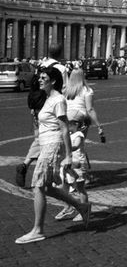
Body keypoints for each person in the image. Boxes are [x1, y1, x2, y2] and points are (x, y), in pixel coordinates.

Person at [15, 66, 92, 245]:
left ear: (54, 81)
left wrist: (68, 156)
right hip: (46, 146)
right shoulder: (48, 99)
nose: (40, 80)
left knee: (38, 185)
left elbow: (64, 128)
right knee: (47, 187)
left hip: (52, 146)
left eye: (44, 78)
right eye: (40, 77)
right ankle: (82, 207)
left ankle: (38, 230)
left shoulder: (57, 100)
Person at [15, 43, 65, 188]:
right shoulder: (61, 69)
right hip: (52, 105)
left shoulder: (40, 65)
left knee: (39, 137)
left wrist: (32, 106)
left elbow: (34, 86)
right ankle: (55, 176)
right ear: (60, 53)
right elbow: (64, 89)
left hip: (36, 106)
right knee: (53, 137)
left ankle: (26, 165)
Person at [55, 109, 90, 221]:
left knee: (80, 189)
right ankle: (68, 207)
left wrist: (66, 147)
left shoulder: (79, 134)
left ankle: (84, 209)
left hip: (78, 165)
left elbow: (76, 145)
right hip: (66, 165)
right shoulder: (67, 134)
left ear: (75, 124)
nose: (65, 125)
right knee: (64, 188)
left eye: (67, 123)